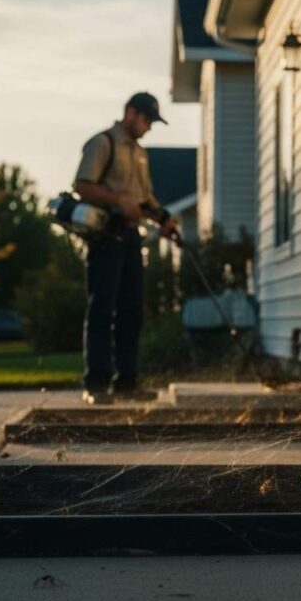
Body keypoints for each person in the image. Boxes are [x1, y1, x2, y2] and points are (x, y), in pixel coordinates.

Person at [73, 92, 179, 405]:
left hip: (132, 238)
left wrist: (164, 219)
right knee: (103, 308)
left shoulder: (140, 153)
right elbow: (82, 185)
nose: (149, 127)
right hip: (105, 235)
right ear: (130, 113)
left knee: (132, 311)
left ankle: (127, 382)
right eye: (147, 120)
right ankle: (96, 383)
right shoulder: (103, 143)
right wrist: (119, 201)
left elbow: (145, 198)